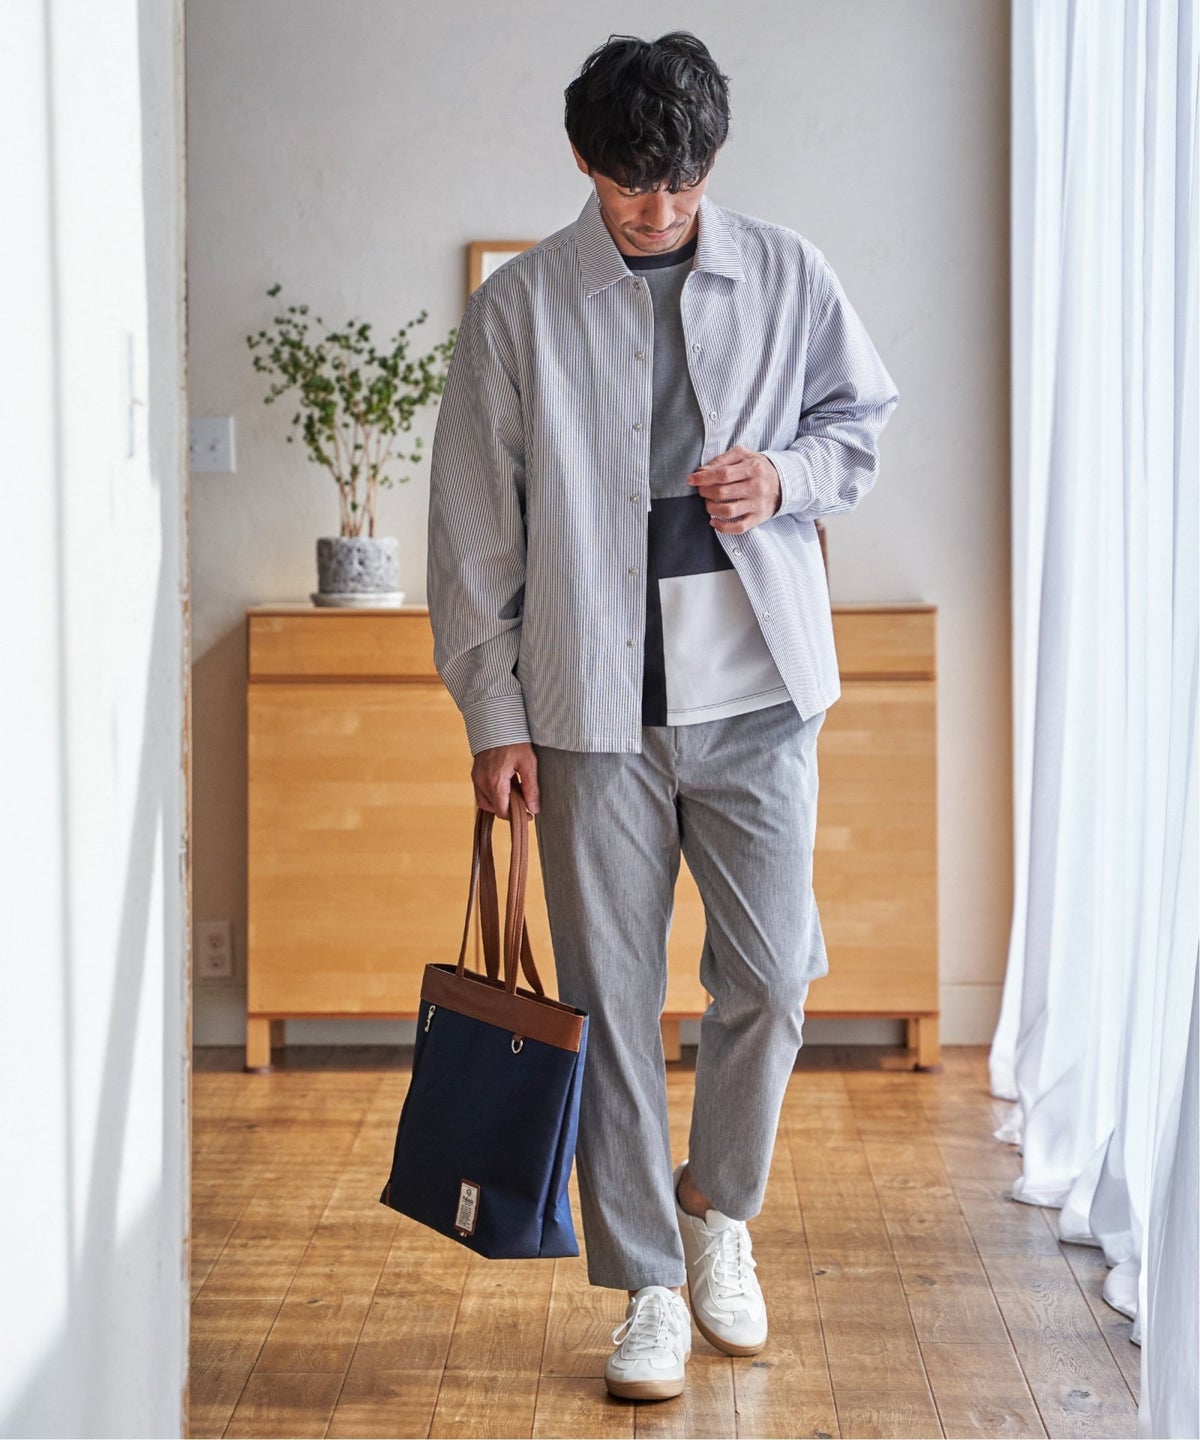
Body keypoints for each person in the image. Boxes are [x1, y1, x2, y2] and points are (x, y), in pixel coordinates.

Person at [426, 30, 900, 1403]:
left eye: (683, 181)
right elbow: (472, 532)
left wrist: (785, 477)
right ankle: (645, 1283)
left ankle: (716, 1211)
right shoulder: (520, 308)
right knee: (611, 999)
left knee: (772, 977)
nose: (660, 206)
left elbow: (860, 424)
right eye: (635, 181)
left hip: (758, 691)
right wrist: (494, 714)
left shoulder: (789, 272)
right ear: (586, 161)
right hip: (591, 706)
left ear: (712, 161)